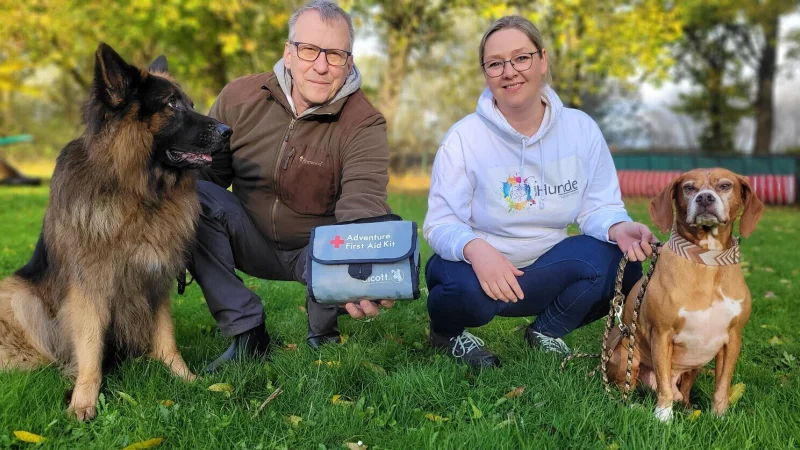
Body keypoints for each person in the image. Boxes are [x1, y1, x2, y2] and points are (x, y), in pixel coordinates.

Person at [423, 15, 655, 369]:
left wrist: (617, 227)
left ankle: (545, 331)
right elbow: (439, 223)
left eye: (521, 58)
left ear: (542, 60)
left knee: (624, 265)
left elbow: (599, 206)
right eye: (495, 63)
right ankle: (447, 334)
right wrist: (475, 249)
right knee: (466, 292)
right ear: (485, 73)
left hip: (546, 270)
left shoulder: (581, 129)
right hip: (478, 270)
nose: (509, 71)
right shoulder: (463, 139)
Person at [191, 0, 394, 372]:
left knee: (351, 236)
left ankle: (323, 336)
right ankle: (248, 333)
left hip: (316, 249)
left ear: (348, 62)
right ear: (288, 53)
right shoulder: (239, 97)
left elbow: (363, 201)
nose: (320, 65)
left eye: (334, 54)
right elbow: (208, 176)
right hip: (248, 236)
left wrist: (362, 266)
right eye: (309, 50)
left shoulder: (365, 123)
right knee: (194, 199)